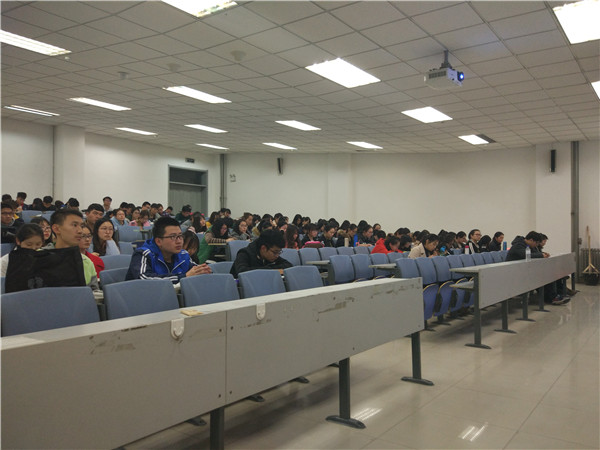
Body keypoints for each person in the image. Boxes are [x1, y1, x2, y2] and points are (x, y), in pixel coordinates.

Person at [126, 216, 211, 283]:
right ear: (158, 241)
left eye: (180, 236)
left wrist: (203, 271)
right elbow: (144, 279)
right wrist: (183, 277)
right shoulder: (143, 254)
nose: (179, 241)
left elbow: (196, 271)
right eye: (173, 237)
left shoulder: (183, 254)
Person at [45, 209, 99, 290]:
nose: (80, 231)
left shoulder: (86, 262)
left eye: (81, 226)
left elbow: (94, 292)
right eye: (74, 225)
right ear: (56, 229)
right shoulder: (38, 259)